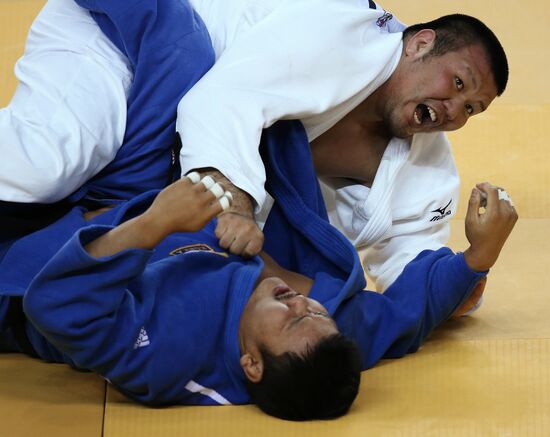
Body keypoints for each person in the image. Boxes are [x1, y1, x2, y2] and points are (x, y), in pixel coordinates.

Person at [0, 120, 517, 420]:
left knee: (167, 36)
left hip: (28, 259)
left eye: (293, 316)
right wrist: (479, 255)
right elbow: (409, 316)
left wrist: (154, 224)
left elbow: (57, 308)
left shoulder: (167, 359)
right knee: (249, 93)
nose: (300, 301)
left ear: (250, 365)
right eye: (312, 309)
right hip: (149, 193)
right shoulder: (322, 342)